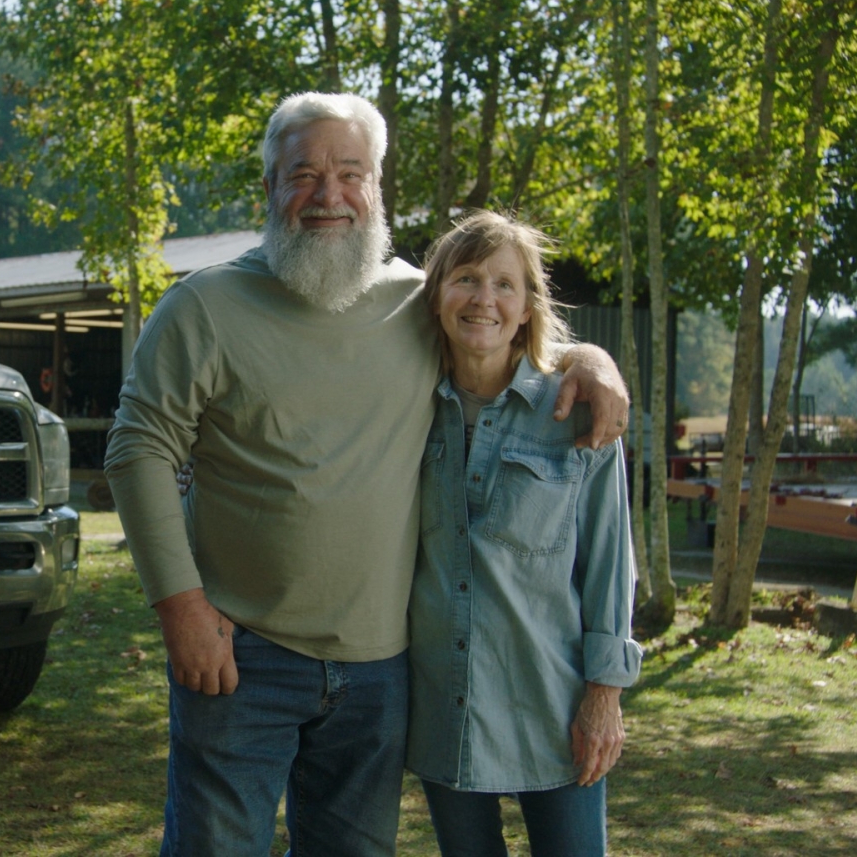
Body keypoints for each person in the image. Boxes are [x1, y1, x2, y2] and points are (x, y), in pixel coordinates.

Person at [104, 91, 630, 857]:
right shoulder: (204, 307)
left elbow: (501, 328)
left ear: (378, 188)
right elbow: (137, 446)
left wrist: (592, 361)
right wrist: (181, 609)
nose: (329, 196)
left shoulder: (414, 304)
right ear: (270, 189)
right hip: (238, 652)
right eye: (304, 174)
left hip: (380, 671)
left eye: (351, 173)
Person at [408, 210, 642, 857]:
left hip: (555, 709)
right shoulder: (403, 409)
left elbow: (611, 567)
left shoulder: (578, 417)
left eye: (505, 284)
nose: (485, 298)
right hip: (443, 707)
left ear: (528, 305)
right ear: (436, 296)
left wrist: (605, 698)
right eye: (466, 278)